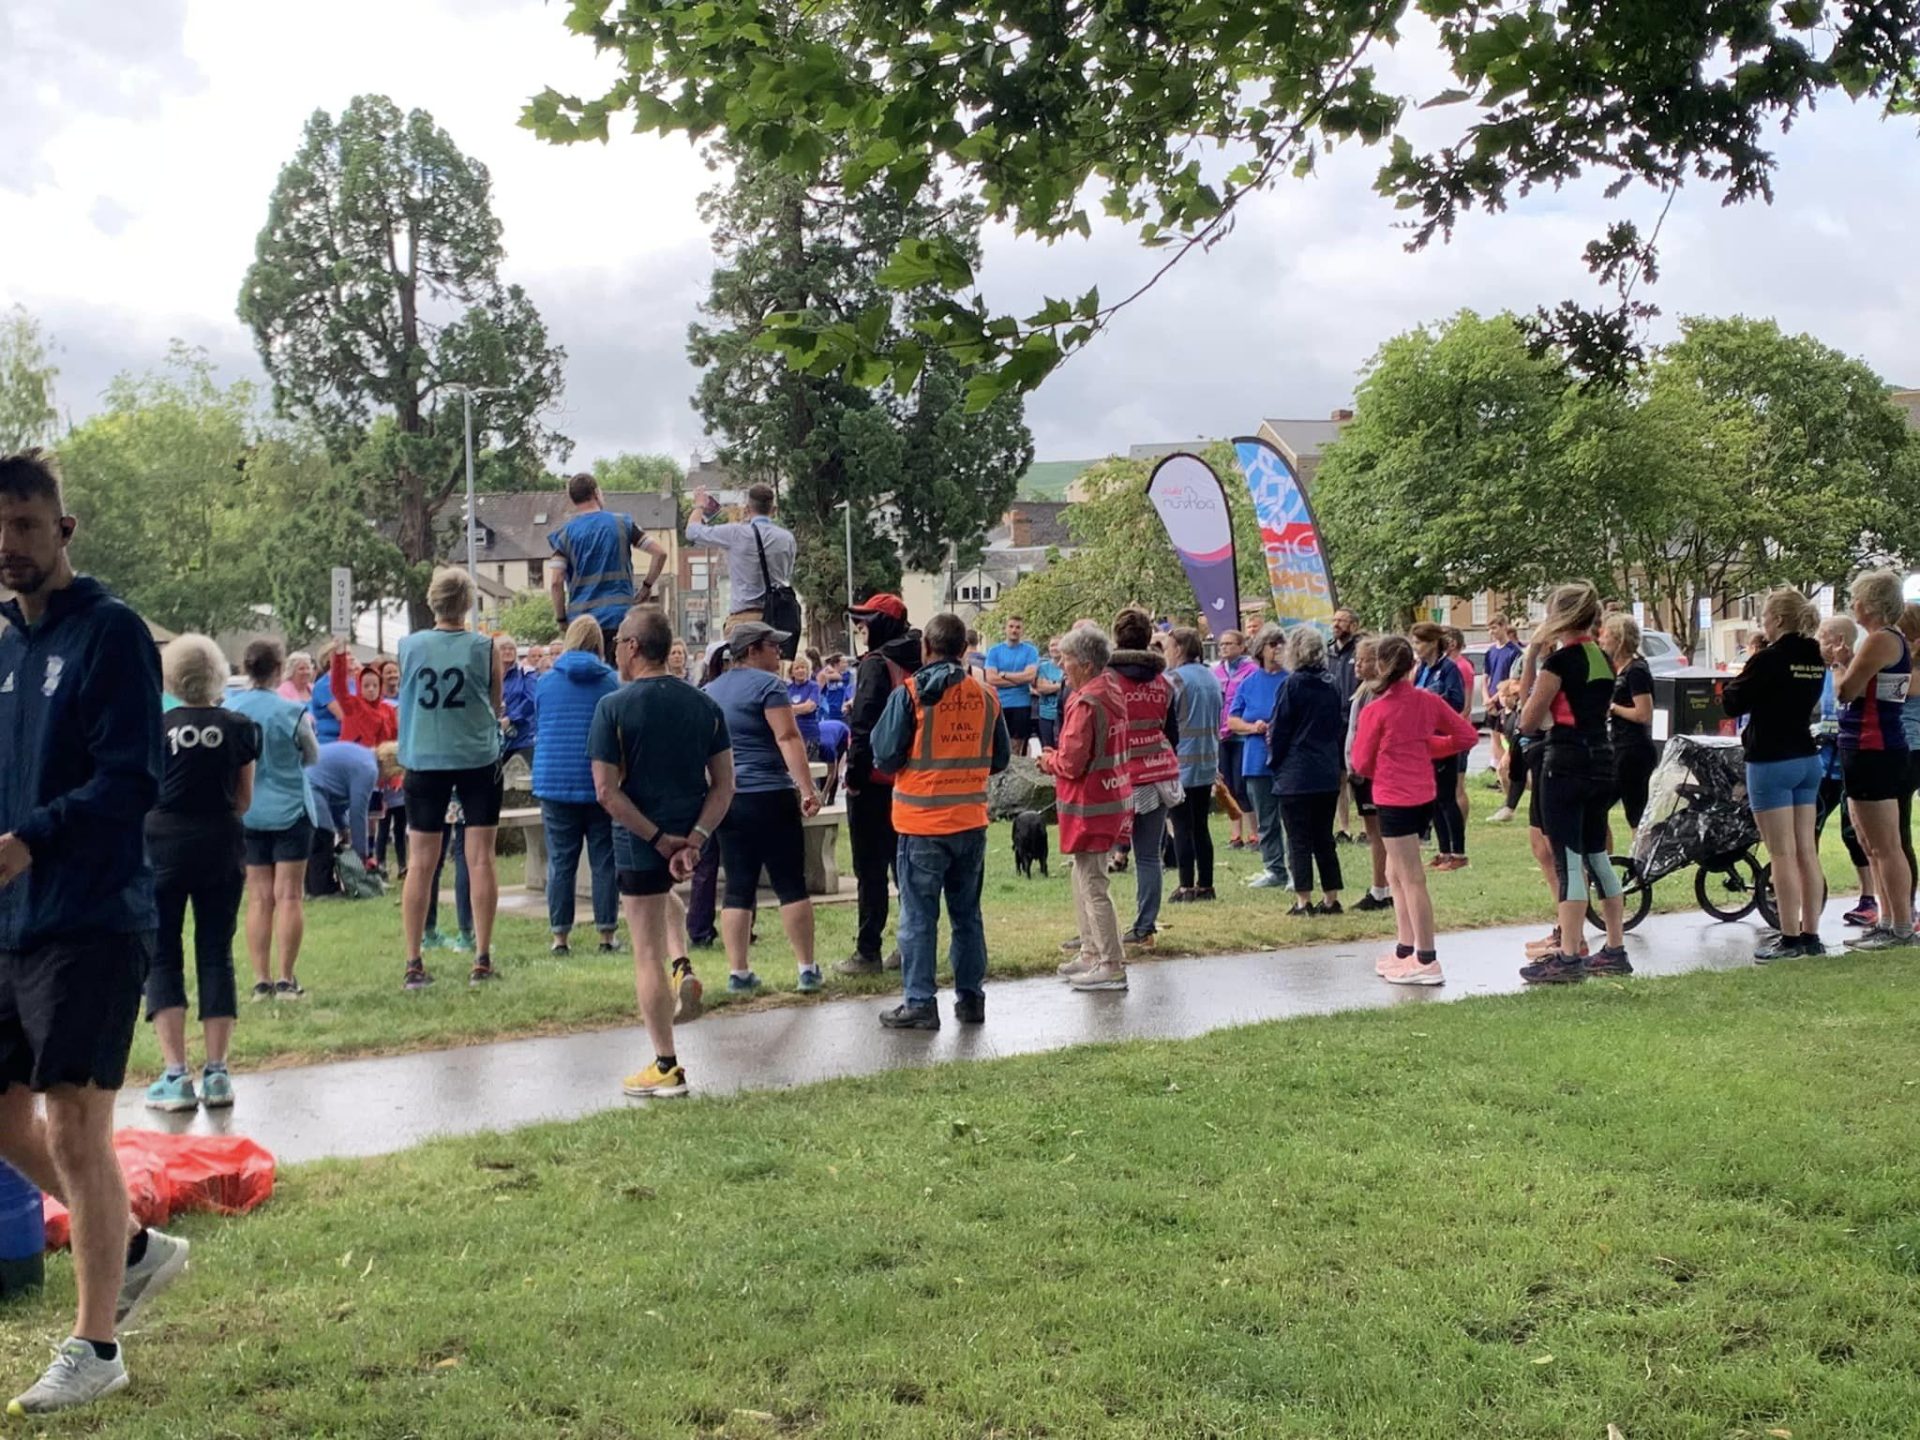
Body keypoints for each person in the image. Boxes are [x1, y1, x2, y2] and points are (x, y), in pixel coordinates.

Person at [0, 449, 188, 1416]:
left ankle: (97, 1346)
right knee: (5, 1118)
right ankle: (137, 1248)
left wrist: (28, 841)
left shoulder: (111, 633)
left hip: (94, 916)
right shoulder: (3, 644)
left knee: (76, 1123)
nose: (10, 545)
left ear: (63, 529)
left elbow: (131, 780)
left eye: (26, 526)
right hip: (12, 918)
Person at [590, 607, 736, 1097]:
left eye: (618, 643)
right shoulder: (704, 705)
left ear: (633, 647)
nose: (615, 651)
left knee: (645, 951)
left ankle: (666, 1063)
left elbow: (606, 791)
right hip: (690, 833)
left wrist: (657, 839)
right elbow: (724, 784)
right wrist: (694, 838)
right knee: (664, 916)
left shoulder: (612, 707)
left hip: (639, 841)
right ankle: (683, 965)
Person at [870, 613, 1011, 1028]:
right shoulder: (987, 696)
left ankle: (920, 1003)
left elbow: (884, 756)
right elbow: (1000, 758)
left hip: (922, 825)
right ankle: (971, 1000)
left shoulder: (911, 694)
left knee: (918, 918)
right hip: (970, 821)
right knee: (967, 916)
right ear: (964, 649)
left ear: (925, 648)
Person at [141, 635, 258, 1114]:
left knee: (162, 954)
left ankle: (175, 1075)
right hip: (220, 846)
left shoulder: (153, 726)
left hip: (161, 846)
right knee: (216, 952)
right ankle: (217, 1073)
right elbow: (243, 800)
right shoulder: (240, 727)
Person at [1515, 582, 1631, 983]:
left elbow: (1528, 720)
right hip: (1602, 761)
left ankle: (1567, 956)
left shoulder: (1559, 663)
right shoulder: (1603, 657)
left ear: (1558, 616)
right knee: (1597, 856)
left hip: (1565, 763)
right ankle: (1614, 948)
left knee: (1567, 861)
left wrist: (1532, 657)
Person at [397, 568, 506, 990]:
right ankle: (482, 956)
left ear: (433, 601)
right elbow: (494, 702)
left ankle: (413, 961)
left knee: (420, 861)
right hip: (476, 756)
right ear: (468, 604)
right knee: (480, 858)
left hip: (425, 756)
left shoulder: (409, 646)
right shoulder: (484, 647)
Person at [1351, 635, 1479, 986]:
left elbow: (1361, 761)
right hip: (1423, 794)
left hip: (1394, 796)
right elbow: (1466, 736)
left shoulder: (1376, 709)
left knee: (1410, 877)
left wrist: (1414, 748)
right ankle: (1405, 949)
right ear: (1413, 665)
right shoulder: (1428, 701)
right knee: (1394, 872)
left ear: (1380, 665)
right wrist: (1425, 747)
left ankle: (1426, 958)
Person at [703, 623, 824, 992]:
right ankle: (807, 969)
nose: (779, 653)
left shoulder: (710, 691)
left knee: (737, 886)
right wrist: (807, 788)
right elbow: (787, 736)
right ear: (753, 650)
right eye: (773, 646)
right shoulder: (770, 686)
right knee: (790, 883)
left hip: (730, 798)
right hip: (771, 793)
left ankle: (738, 972)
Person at [1721, 590, 1828, 961]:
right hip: (1806, 756)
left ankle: (1789, 936)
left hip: (1771, 759)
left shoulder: (1768, 659)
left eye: (1765, 617)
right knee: (1806, 850)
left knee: (1780, 853)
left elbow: (1732, 701)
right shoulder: (1815, 657)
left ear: (1779, 620)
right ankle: (1811, 933)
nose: (1762, 623)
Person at [1041, 625, 1134, 992]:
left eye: (1065, 659)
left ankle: (1110, 962)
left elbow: (1072, 761)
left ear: (1084, 664)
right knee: (1083, 875)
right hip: (1109, 795)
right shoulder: (1111, 690)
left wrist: (1048, 760)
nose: (1060, 665)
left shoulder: (1086, 702)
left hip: (1090, 802)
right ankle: (1090, 951)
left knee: (1093, 882)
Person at [226, 640, 319, 1001]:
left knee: (259, 898)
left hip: (248, 810)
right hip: (291, 809)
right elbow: (311, 756)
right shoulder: (292, 711)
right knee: (290, 895)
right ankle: (286, 978)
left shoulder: (231, 708)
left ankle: (261, 980)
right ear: (279, 669)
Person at [837, 594, 921, 976]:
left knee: (870, 870)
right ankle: (910, 947)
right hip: (911, 778)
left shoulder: (875, 663)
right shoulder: (923, 659)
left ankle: (867, 951)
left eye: (865, 624)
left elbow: (864, 724)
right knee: (905, 869)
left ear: (880, 626)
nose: (861, 630)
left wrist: (853, 776)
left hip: (873, 781)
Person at [1833, 568, 1915, 950]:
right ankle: (1886, 920)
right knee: (1869, 843)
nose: (1853, 605)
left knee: (1885, 845)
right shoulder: (1884, 640)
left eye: (1856, 598)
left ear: (1870, 603)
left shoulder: (1882, 639)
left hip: (1874, 747)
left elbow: (1846, 691)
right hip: (1863, 747)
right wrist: (1850, 661)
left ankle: (1900, 926)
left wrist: (1838, 665)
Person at [533, 618, 622, 957]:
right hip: (600, 782)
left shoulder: (545, 682)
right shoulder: (611, 681)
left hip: (555, 779)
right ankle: (606, 934)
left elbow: (541, 721)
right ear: (599, 644)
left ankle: (560, 937)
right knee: (604, 860)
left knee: (561, 861)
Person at [1107, 610, 1181, 945]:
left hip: (1117, 777)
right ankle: (1144, 927)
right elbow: (1172, 733)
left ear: (1116, 636)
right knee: (1148, 855)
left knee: (1094, 856)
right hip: (1158, 772)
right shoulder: (1163, 683)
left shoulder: (1107, 680)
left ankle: (1096, 931)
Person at [1267, 626, 1345, 915]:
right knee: (1324, 837)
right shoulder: (1331, 683)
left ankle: (1303, 900)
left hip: (1296, 771)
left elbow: (1279, 729)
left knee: (1298, 838)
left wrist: (1274, 761)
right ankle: (1331, 897)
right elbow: (1337, 725)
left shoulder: (1292, 685)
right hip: (1326, 769)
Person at [547, 472, 667, 655]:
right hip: (619, 619)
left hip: (582, 624)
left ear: (572, 500)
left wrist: (561, 619)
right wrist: (646, 587)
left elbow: (556, 582)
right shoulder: (622, 524)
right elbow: (660, 553)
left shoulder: (564, 535)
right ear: (596, 493)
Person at [1815, 615, 1877, 925]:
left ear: (1839, 641)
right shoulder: (1818, 672)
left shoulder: (1854, 670)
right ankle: (1810, 891)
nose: (1818, 643)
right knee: (1809, 828)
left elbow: (1848, 700)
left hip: (1848, 765)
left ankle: (1868, 898)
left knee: (1853, 834)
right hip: (1820, 765)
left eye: (1823, 638)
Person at [686, 482, 797, 645]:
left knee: (742, 660)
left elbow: (692, 532)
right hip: (776, 620)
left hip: (744, 619)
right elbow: (787, 575)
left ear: (747, 509)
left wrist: (699, 505)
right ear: (774, 510)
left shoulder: (735, 533)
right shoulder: (787, 539)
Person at [1230, 625, 1290, 891]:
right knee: (1266, 819)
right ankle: (1274, 868)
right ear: (1260, 650)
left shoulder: (1291, 680)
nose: (1278, 649)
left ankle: (1296, 868)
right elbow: (1232, 721)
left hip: (1286, 759)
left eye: (1281, 644)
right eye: (1272, 644)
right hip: (1256, 759)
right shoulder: (1249, 683)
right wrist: (1252, 727)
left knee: (1291, 818)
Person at [1165, 627, 1222, 902]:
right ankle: (1206, 884)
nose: (1165, 652)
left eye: (1168, 647)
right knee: (1201, 825)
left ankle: (1186, 885)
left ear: (1178, 649)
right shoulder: (1211, 676)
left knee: (1181, 826)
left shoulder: (1173, 679)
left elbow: (1167, 720)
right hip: (1207, 760)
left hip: (1181, 762)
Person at [1410, 622, 1468, 869]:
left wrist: (1431, 701)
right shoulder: (1421, 669)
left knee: (1446, 797)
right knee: (1433, 798)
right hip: (1425, 740)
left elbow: (1456, 701)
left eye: (1419, 642)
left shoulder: (1448, 669)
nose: (1415, 647)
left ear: (1433, 643)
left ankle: (1458, 853)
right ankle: (1443, 851)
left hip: (1444, 740)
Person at [1344, 637, 1393, 910]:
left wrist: (1358, 763)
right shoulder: (1363, 690)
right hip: (1360, 769)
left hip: (1372, 772)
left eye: (1365, 660)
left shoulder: (1378, 693)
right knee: (1373, 831)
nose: (1358, 665)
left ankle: (1381, 888)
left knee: (1379, 832)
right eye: (1357, 660)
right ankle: (1382, 886)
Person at [1601, 612, 1658, 830]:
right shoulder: (1618, 670)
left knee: (1635, 814)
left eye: (1607, 635)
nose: (1602, 640)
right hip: (1618, 746)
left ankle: (1642, 851)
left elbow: (1644, 714)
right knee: (1598, 808)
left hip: (1633, 750)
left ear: (1619, 639)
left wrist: (1614, 708)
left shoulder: (1636, 672)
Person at [307, 740, 382, 892]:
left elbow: (337, 804)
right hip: (312, 785)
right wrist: (360, 855)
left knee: (319, 836)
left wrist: (343, 828)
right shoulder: (369, 770)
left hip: (309, 779)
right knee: (324, 835)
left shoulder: (363, 757)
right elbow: (358, 813)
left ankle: (314, 885)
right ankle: (320, 889)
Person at [1212, 630, 1257, 849]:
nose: (1225, 648)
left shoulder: (1251, 671)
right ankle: (1235, 834)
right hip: (1221, 736)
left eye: (1230, 644)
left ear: (1241, 647)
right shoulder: (1215, 671)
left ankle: (1254, 833)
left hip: (1241, 736)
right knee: (1227, 785)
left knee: (1242, 786)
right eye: (1222, 644)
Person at [1326, 608, 1361, 839]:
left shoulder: (1360, 649)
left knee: (1358, 774)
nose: (1336, 624)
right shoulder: (1328, 652)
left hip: (1357, 720)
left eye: (1342, 620)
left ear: (1354, 625)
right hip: (1334, 721)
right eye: (1334, 620)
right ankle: (1344, 827)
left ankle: (1367, 827)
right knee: (1338, 775)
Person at [984, 615, 1041, 752]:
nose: (1014, 630)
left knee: (1017, 747)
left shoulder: (1030, 651)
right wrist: (1019, 680)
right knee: (999, 745)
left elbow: (1030, 676)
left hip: (1021, 704)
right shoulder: (994, 651)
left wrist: (1005, 675)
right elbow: (991, 678)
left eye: (1018, 627)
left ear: (1022, 630)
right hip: (1000, 703)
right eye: (1011, 626)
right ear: (1005, 629)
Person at [498, 635, 539, 771]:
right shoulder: (489, 675)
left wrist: (511, 718)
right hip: (496, 740)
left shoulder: (525, 673)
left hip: (522, 738)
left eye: (511, 648)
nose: (508, 651)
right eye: (503, 648)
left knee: (522, 777)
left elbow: (532, 700)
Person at [787, 653, 824, 758]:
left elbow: (809, 707)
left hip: (809, 733)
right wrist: (799, 708)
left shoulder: (813, 686)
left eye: (803, 667)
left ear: (808, 670)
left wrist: (789, 709)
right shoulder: (787, 688)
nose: (800, 670)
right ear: (792, 672)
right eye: (797, 668)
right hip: (792, 734)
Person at [1034, 638, 1065, 749]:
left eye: (1057, 645)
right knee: (1047, 748)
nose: (1054, 648)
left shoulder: (1068, 665)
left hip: (1063, 714)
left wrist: (1050, 684)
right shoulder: (1043, 667)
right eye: (1052, 645)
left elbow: (1071, 687)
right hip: (1045, 714)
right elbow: (1041, 688)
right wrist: (1060, 685)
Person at [819, 654, 850, 722]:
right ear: (836, 664)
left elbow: (837, 677)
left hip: (841, 711)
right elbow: (821, 679)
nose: (846, 664)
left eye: (846, 662)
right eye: (844, 662)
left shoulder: (846, 675)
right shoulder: (826, 674)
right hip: (828, 711)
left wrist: (829, 669)